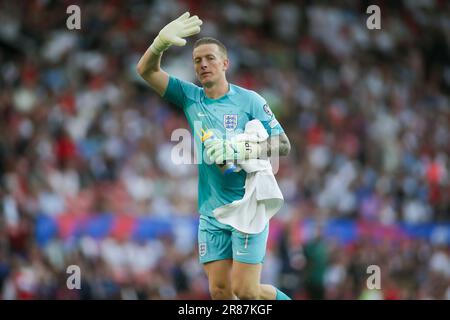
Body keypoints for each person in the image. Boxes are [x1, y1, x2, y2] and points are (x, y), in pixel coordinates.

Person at [137, 12, 292, 300]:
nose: (203, 64)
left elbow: (282, 144)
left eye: (209, 58)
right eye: (197, 60)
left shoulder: (250, 100)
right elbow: (146, 71)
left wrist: (239, 149)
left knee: (245, 291)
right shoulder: (190, 97)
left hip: (247, 206)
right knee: (220, 292)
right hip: (211, 212)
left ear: (225, 63)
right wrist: (159, 43)